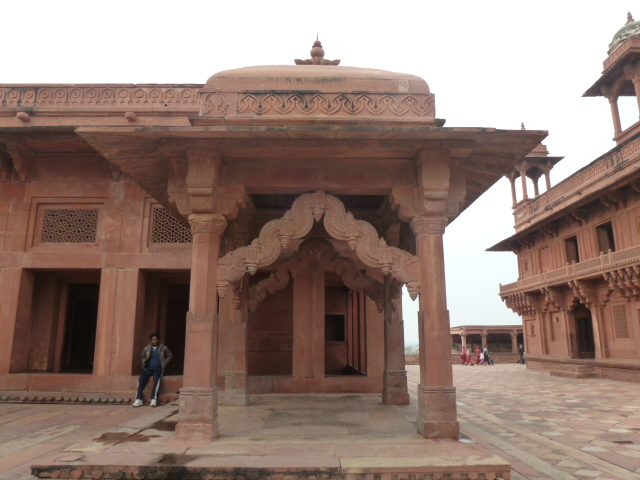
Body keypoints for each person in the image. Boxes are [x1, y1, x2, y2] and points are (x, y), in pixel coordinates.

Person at [133, 333, 172, 407]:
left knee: (157, 379)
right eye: (153, 340)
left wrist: (164, 363)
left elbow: (170, 355)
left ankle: (154, 399)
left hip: (159, 368)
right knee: (141, 379)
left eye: (156, 339)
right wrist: (144, 363)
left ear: (158, 340)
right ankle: (139, 399)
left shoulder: (163, 348)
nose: (155, 341)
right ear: (151, 340)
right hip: (149, 368)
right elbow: (143, 356)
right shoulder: (147, 348)